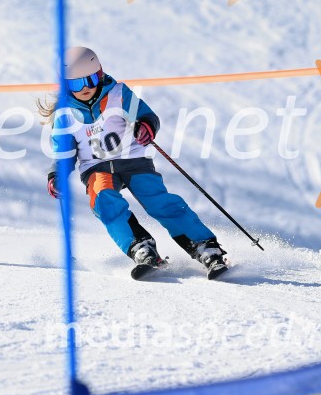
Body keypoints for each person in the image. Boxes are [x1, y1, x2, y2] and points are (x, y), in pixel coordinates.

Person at [39, 46, 229, 279]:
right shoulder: (64, 114)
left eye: (90, 79)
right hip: (96, 168)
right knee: (103, 200)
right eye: (77, 84)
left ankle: (205, 247)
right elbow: (63, 154)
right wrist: (56, 174)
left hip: (132, 160)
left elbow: (146, 116)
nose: (86, 87)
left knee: (159, 202)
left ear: (99, 74)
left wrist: (145, 126)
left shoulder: (118, 93)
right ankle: (141, 248)